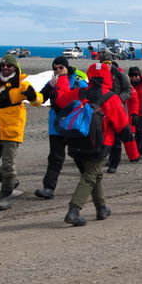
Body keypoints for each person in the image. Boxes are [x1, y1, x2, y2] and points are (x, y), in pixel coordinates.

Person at [52, 62, 134, 226]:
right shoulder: (112, 98)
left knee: (94, 174)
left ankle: (101, 208)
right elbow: (123, 127)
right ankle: (73, 211)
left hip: (76, 142)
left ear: (89, 76)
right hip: (100, 144)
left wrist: (61, 79)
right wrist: (133, 154)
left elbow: (61, 100)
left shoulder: (80, 92)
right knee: (89, 176)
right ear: (108, 77)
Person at [0, 53, 43, 211]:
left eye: (9, 65)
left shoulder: (22, 84)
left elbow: (38, 100)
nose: (5, 68)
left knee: (8, 166)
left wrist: (33, 97)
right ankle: (10, 182)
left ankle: (5, 196)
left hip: (11, 131)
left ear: (15, 68)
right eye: (3, 65)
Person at [35, 57, 85, 200]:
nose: (58, 70)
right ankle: (49, 188)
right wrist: (50, 86)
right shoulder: (52, 84)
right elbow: (41, 99)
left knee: (78, 155)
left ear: (67, 68)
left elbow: (89, 97)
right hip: (55, 127)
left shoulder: (77, 82)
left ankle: (89, 182)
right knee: (55, 158)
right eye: (55, 68)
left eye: (61, 67)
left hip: (73, 126)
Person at [125, 66, 142, 160]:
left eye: (136, 75)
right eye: (132, 75)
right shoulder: (127, 85)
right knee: (132, 133)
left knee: (139, 131)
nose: (135, 77)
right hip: (131, 112)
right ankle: (136, 152)